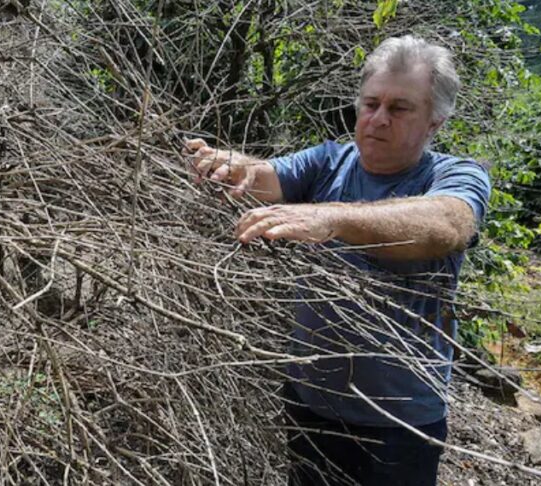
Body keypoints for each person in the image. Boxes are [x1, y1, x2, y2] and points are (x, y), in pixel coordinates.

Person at [184, 35, 491, 485]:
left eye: (399, 109)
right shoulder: (330, 161)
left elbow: (447, 224)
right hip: (310, 402)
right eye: (370, 104)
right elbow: (268, 177)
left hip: (398, 424)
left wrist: (331, 218)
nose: (378, 120)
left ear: (435, 123)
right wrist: (234, 168)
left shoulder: (454, 174)